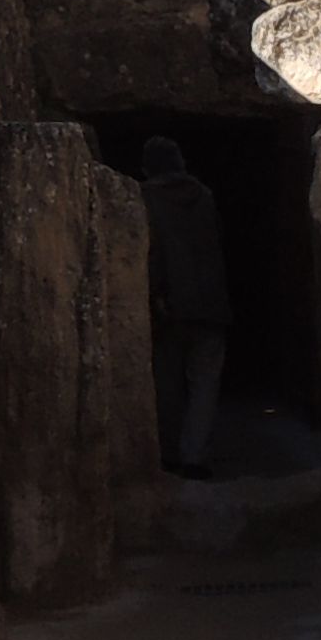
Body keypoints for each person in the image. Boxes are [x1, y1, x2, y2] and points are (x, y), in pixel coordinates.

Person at [138, 136, 230, 474]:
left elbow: (151, 251)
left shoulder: (145, 199)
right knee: (205, 382)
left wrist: (155, 295)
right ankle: (195, 455)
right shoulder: (204, 196)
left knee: (167, 382)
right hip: (211, 303)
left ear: (148, 167)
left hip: (170, 305)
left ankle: (169, 454)